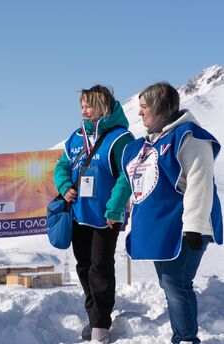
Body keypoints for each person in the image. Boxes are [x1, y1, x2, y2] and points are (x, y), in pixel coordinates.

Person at [122, 82, 222, 344]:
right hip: (164, 230)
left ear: (160, 108)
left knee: (177, 284)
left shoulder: (190, 137)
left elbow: (200, 183)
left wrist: (194, 226)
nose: (140, 113)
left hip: (186, 229)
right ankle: (182, 335)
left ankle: (186, 338)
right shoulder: (150, 143)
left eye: (144, 107)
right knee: (170, 284)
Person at [53, 85, 134, 343]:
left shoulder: (121, 138)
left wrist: (114, 207)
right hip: (78, 215)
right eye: (82, 106)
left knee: (100, 267)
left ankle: (100, 324)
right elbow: (62, 167)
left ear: (103, 107)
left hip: (105, 217)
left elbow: (127, 176)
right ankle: (94, 314)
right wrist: (64, 187)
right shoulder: (76, 138)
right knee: (83, 267)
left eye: (88, 105)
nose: (84, 111)